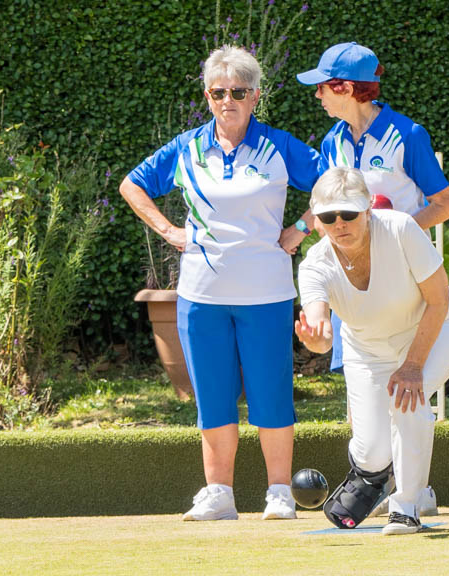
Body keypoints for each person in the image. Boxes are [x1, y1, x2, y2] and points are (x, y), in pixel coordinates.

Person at [120, 45, 320, 522]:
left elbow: (336, 184)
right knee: (212, 395)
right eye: (218, 92)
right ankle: (219, 494)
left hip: (266, 294)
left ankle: (278, 493)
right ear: (207, 96)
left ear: (255, 96)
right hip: (201, 298)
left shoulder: (280, 146)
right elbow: (132, 184)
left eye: (238, 91)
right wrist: (169, 231)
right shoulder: (186, 146)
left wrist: (302, 228)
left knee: (272, 393)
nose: (227, 100)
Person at [297, 42, 449, 515]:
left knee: (407, 393)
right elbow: (330, 202)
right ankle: (381, 477)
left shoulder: (408, 134)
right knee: (362, 386)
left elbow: (444, 203)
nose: (319, 97)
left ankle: (414, 490)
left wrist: (396, 235)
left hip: (405, 281)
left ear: (346, 88)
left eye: (323, 88)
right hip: (355, 286)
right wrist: (301, 230)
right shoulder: (332, 142)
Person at [295, 167, 449, 535]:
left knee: (408, 397)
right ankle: (374, 475)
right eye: (328, 217)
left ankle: (406, 506)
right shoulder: (314, 265)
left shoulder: (401, 228)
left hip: (439, 328)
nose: (339, 223)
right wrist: (317, 340)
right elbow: (321, 327)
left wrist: (413, 366)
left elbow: (437, 301)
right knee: (373, 453)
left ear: (368, 210)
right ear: (318, 221)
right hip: (368, 351)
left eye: (349, 214)